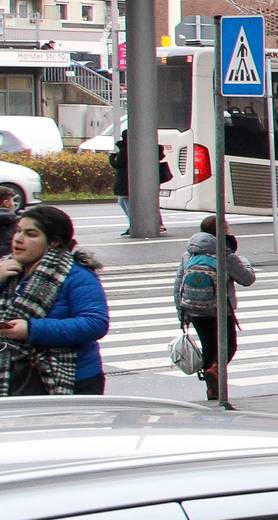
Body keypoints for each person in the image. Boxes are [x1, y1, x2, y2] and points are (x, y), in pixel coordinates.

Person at [0, 206, 107, 395]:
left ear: (54, 242)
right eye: (18, 231)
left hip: (72, 377)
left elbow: (95, 323)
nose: (18, 239)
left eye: (31, 234)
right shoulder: (8, 269)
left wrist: (31, 330)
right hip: (11, 374)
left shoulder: (77, 275)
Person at [173, 216, 257, 403]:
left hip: (194, 309)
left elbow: (178, 282)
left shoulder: (189, 254)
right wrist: (244, 262)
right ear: (222, 230)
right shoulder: (225, 254)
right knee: (229, 346)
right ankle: (215, 371)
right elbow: (247, 279)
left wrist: (181, 312)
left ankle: (213, 390)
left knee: (209, 347)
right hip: (220, 309)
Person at [107, 132, 166, 238]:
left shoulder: (127, 149)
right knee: (150, 202)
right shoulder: (145, 146)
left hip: (127, 181)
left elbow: (117, 164)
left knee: (127, 203)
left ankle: (135, 224)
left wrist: (111, 157)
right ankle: (157, 224)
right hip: (146, 179)